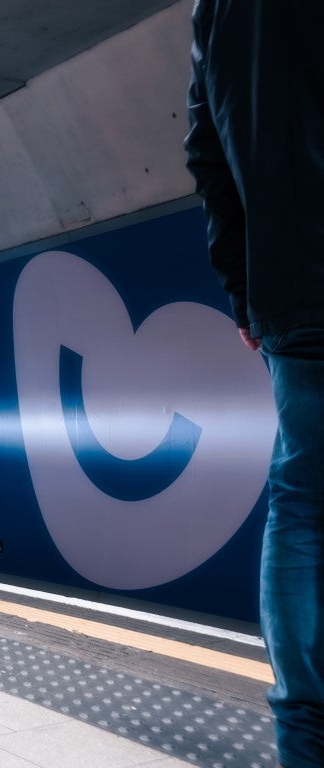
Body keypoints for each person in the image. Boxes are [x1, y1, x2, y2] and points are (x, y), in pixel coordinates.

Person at [184, 3, 324, 767]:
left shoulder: (220, 7)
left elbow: (205, 151)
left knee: (304, 501)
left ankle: (304, 736)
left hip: (293, 292)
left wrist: (246, 291)